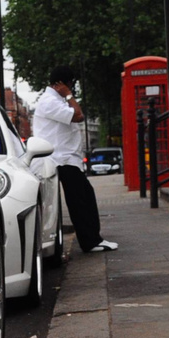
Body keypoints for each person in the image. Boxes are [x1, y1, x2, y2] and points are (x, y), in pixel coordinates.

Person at [34, 67, 117, 253]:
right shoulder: (50, 102)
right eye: (71, 83)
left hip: (66, 159)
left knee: (84, 196)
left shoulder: (55, 101)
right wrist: (70, 95)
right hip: (60, 159)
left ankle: (93, 239)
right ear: (60, 84)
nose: (72, 87)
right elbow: (79, 116)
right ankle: (90, 242)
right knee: (80, 200)